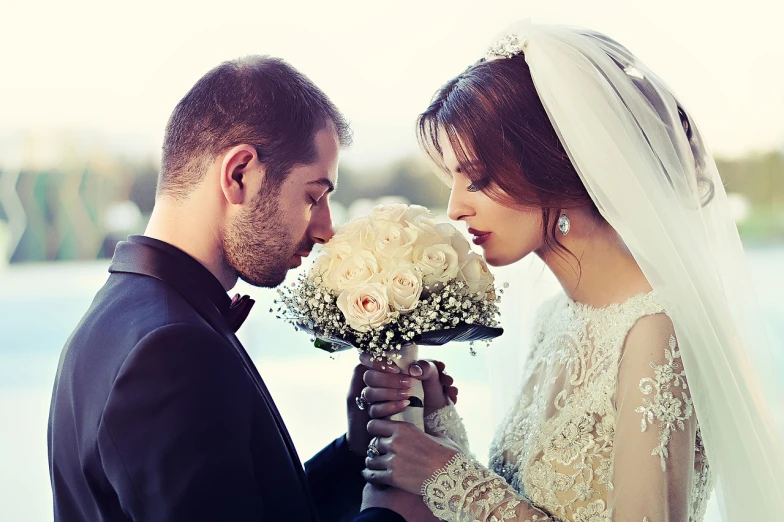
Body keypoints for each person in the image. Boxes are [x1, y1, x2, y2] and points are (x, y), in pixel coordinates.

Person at [358, 23, 784, 521]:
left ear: (553, 162)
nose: (454, 208)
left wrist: (444, 475)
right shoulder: (555, 317)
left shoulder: (655, 332)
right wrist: (436, 423)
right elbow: (525, 498)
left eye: (478, 177)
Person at [47, 55, 439, 522]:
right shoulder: (172, 350)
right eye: (312, 196)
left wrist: (354, 451)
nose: (325, 230)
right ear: (239, 174)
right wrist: (397, 513)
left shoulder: (125, 315)